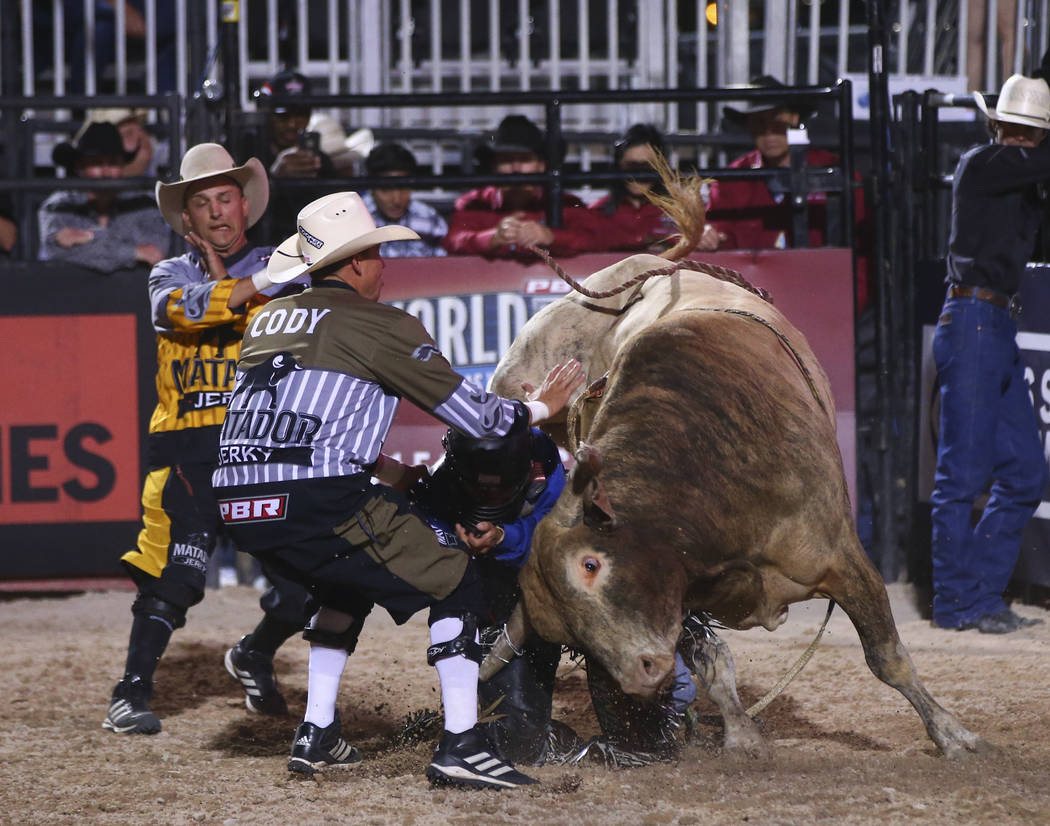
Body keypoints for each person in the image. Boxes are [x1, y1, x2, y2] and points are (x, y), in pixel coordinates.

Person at [211, 190, 582, 788]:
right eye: (377, 254)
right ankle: (462, 744)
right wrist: (543, 406)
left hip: (240, 503)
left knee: (346, 579)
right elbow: (478, 418)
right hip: (320, 498)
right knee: (455, 573)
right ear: (356, 263)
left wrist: (387, 472)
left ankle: (317, 730)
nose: (384, 266)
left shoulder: (267, 319)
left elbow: (294, 422)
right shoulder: (380, 324)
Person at [101, 142, 291, 735]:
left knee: (305, 580)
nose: (216, 213)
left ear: (244, 204)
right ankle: (130, 692)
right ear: (187, 219)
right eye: (202, 203)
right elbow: (176, 311)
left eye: (225, 198)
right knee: (172, 578)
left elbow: (265, 321)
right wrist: (232, 287)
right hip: (187, 450)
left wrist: (233, 286)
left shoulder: (274, 268)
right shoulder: (170, 271)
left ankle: (255, 652)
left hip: (259, 446)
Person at [929, 72, 1050, 634]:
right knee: (962, 474)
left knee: (1024, 471)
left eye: (1032, 133)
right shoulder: (984, 163)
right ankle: (958, 602)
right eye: (1018, 129)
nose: (1023, 140)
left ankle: (978, 594)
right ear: (999, 126)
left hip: (991, 323)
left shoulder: (1017, 181)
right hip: (977, 320)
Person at [703, 75, 870, 307]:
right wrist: (709, 235)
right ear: (749, 126)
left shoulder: (833, 172)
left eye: (776, 122)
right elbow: (717, 238)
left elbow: (859, 242)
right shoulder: (731, 179)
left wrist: (845, 303)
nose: (769, 132)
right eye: (759, 123)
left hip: (821, 296)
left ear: (794, 118)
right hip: (753, 302)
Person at [443, 114, 603, 259]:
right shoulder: (475, 203)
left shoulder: (566, 204)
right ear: (494, 166)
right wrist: (492, 238)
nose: (516, 168)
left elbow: (596, 239)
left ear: (542, 165)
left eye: (525, 159)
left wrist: (550, 236)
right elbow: (453, 240)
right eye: (506, 160)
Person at [38, 121, 172, 272]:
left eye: (113, 163)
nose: (106, 171)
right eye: (96, 163)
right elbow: (55, 250)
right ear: (79, 167)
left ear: (122, 166)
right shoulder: (59, 206)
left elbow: (157, 251)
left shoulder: (143, 204)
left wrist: (88, 237)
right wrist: (134, 252)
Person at [588, 123, 676, 252]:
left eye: (647, 167)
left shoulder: (679, 213)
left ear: (661, 167)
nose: (638, 175)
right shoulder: (599, 212)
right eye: (631, 166)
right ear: (618, 167)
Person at [363, 142, 448, 257]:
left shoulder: (429, 218)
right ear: (372, 187)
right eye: (386, 189)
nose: (397, 200)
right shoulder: (358, 219)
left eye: (403, 188)